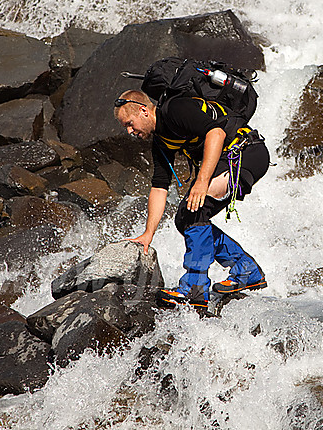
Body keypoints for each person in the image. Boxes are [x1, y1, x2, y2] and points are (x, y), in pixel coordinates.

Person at [114, 89, 269, 308]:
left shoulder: (175, 109)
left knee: (196, 210)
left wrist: (202, 181)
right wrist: (148, 234)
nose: (130, 131)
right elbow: (159, 187)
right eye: (126, 127)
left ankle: (194, 289)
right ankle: (246, 270)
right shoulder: (160, 142)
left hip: (247, 153)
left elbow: (216, 133)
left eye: (130, 123)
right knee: (185, 219)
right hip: (232, 159)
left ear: (144, 111)